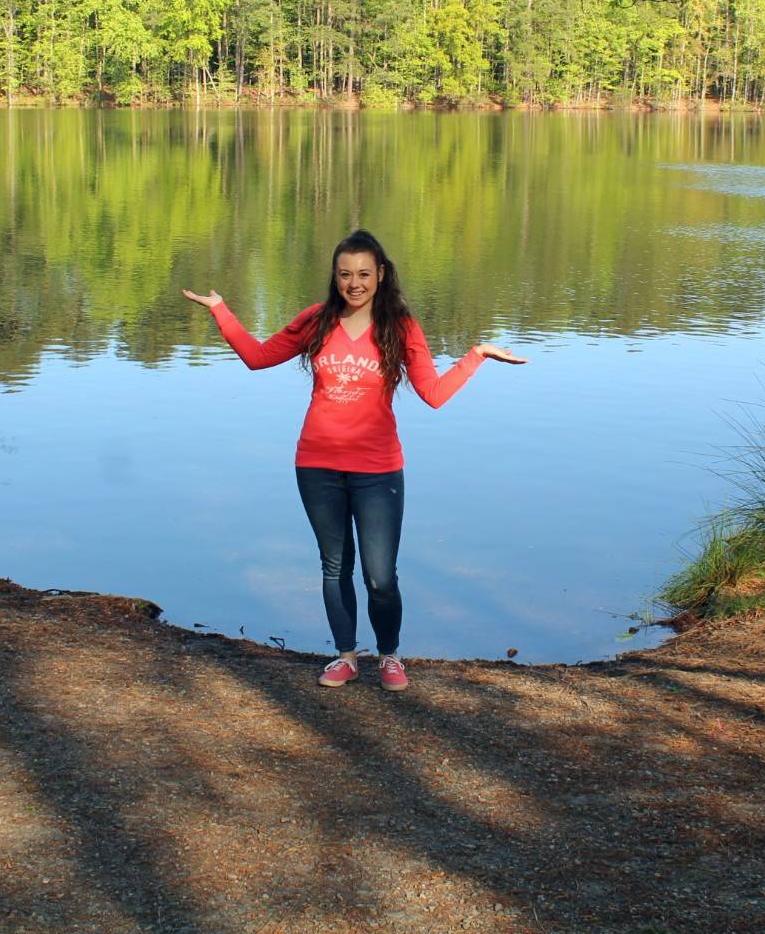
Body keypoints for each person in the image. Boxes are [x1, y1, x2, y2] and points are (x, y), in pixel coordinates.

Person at [183, 229, 525, 692]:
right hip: (317, 465)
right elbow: (257, 357)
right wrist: (221, 311)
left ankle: (389, 656)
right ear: (335, 277)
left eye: (364, 273)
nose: (355, 282)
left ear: (381, 274)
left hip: (378, 469)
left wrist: (476, 356)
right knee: (334, 566)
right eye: (345, 274)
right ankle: (345, 656)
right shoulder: (317, 321)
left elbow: (434, 395)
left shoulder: (400, 327)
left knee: (380, 576)